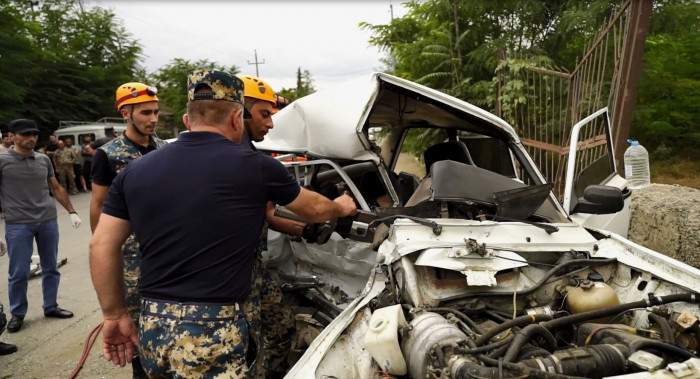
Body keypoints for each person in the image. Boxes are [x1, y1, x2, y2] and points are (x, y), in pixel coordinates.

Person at [89, 69, 357, 378]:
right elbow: (313, 209)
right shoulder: (257, 167)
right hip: (212, 328)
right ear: (235, 119)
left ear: (189, 121)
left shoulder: (134, 172)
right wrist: (340, 206)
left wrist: (114, 314)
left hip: (154, 325)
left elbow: (101, 244)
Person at [89, 81, 164, 378]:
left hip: (166, 248)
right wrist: (107, 251)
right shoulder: (109, 154)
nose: (153, 119)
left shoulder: (164, 150)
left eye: (156, 112)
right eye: (146, 113)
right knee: (135, 327)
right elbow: (99, 204)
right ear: (125, 113)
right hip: (132, 256)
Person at [238, 74, 305, 376]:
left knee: (281, 329)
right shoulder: (246, 162)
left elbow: (269, 214)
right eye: (265, 114)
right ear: (239, 112)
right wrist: (337, 209)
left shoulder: (253, 156)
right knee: (241, 345)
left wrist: (307, 231)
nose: (271, 123)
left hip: (254, 268)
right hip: (229, 278)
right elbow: (312, 206)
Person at [0, 119, 81, 334]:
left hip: (47, 220)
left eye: (34, 134)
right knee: (18, 272)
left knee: (50, 267)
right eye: (26, 134)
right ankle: (17, 314)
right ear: (12, 136)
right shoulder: (2, 160)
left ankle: (51, 306)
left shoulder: (43, 159)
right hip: (18, 224)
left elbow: (55, 186)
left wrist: (71, 211)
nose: (31, 138)